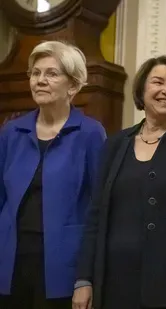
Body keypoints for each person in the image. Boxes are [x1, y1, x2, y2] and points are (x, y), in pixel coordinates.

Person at [73, 55, 166, 309]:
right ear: (142, 90)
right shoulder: (115, 144)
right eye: (158, 82)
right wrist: (83, 279)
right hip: (112, 281)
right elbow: (95, 215)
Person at [0, 41, 106, 308]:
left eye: (51, 74)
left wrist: (86, 278)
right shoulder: (12, 132)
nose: (40, 81)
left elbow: (99, 209)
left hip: (63, 267)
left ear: (72, 85)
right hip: (9, 261)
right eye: (35, 73)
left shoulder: (91, 133)